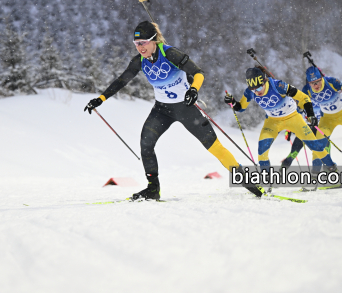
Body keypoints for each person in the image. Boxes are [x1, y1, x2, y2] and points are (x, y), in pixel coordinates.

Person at [84, 21, 263, 201]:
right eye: (137, 44)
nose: (140, 48)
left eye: (144, 42)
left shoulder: (170, 53)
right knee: (146, 144)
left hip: (185, 108)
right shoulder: (139, 61)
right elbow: (121, 81)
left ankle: (250, 183)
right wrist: (100, 99)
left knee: (214, 147)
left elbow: (199, 73)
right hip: (162, 109)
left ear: (154, 41)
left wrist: (193, 90)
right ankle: (153, 189)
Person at [224, 66, 338, 181]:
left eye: (259, 88)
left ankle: (333, 171)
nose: (257, 92)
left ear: (265, 81)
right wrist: (232, 102)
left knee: (315, 146)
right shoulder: (250, 92)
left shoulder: (278, 85)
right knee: (262, 149)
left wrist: (310, 114)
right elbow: (241, 108)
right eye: (254, 90)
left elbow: (304, 98)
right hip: (272, 122)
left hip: (293, 118)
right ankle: (267, 181)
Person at [281, 100, 330, 169]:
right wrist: (288, 131)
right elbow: (291, 117)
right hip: (304, 130)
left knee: (325, 154)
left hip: (319, 130)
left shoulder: (323, 100)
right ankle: (280, 173)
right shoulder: (302, 101)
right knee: (293, 154)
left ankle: (329, 174)